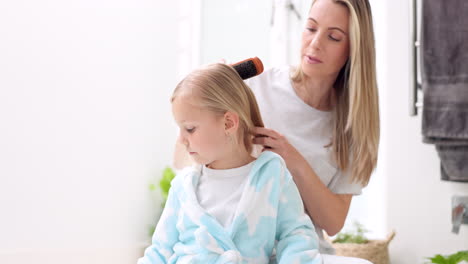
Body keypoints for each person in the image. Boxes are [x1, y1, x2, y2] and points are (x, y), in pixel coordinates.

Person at [138, 63, 322, 263]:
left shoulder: (270, 175)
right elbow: (159, 252)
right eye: (180, 129)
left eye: (190, 129)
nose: (182, 139)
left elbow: (296, 235)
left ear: (228, 123)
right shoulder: (184, 187)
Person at [245, 0, 379, 254]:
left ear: (353, 49)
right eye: (310, 28)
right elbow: (187, 158)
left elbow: (333, 223)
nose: (316, 43)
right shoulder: (256, 87)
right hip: (243, 249)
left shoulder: (351, 125)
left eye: (334, 37)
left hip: (303, 253)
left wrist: (292, 159)